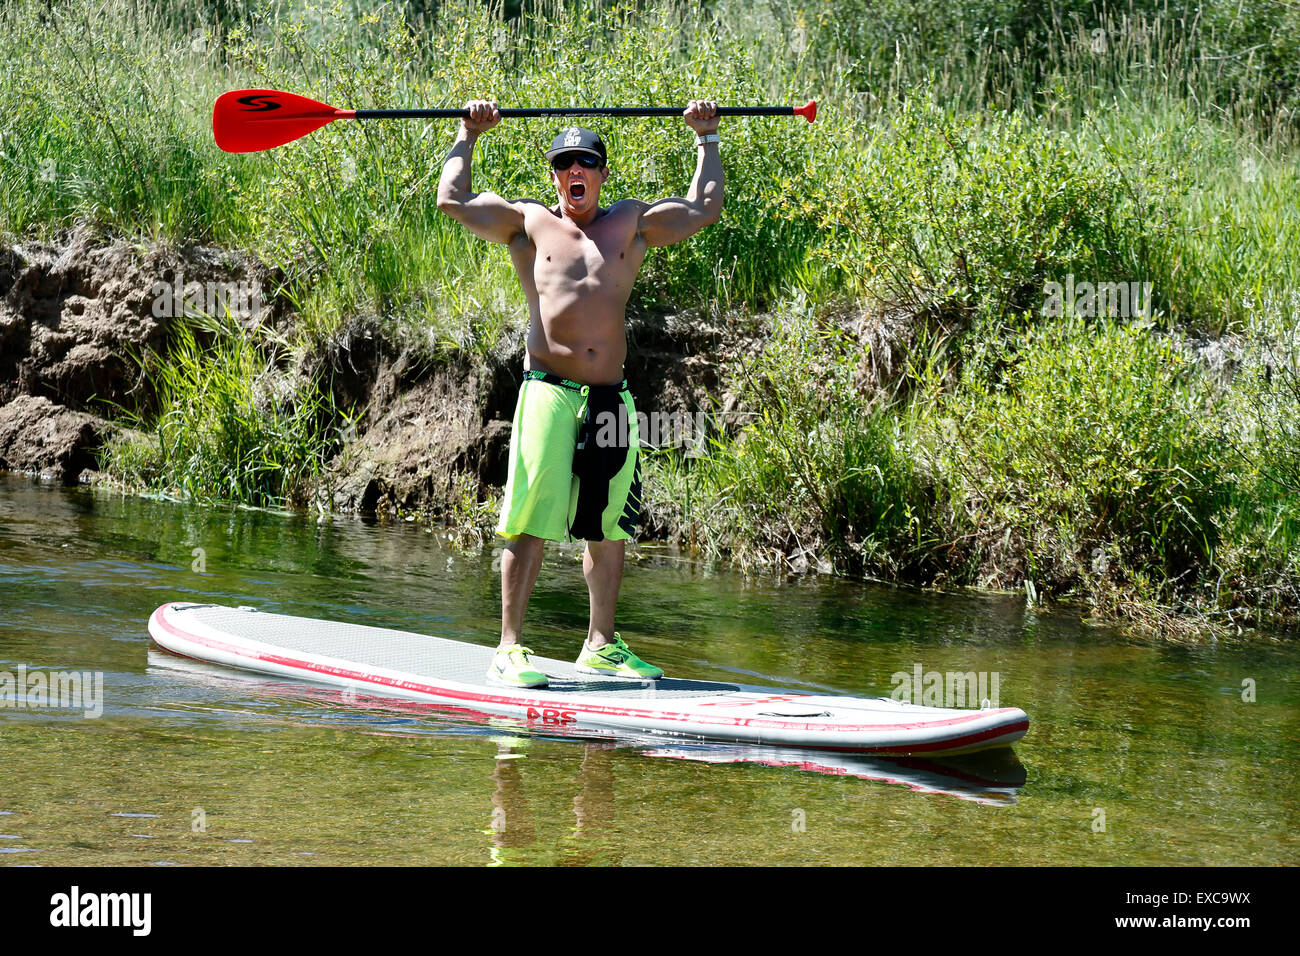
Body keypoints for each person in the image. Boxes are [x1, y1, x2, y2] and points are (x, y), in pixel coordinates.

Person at [436, 98, 722, 688]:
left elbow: (703, 208)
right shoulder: (530, 223)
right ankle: (509, 647)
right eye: (566, 162)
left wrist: (707, 137)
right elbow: (453, 201)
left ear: (602, 173)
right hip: (548, 390)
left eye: (586, 162)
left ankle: (601, 645)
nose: (576, 171)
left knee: (609, 522)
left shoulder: (631, 222)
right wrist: (467, 135)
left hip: (611, 399)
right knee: (531, 514)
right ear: (554, 174)